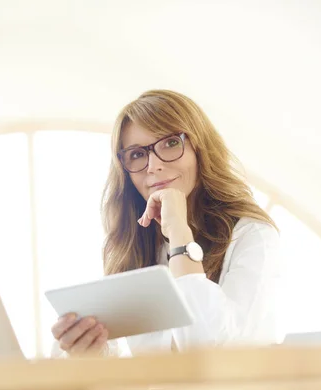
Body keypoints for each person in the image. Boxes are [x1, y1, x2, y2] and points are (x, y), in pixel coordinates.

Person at [50, 89, 283, 357]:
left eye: (171, 143)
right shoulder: (132, 247)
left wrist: (179, 235)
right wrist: (89, 353)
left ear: (200, 148)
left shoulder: (253, 236)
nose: (153, 165)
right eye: (137, 154)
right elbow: (132, 372)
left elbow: (213, 352)